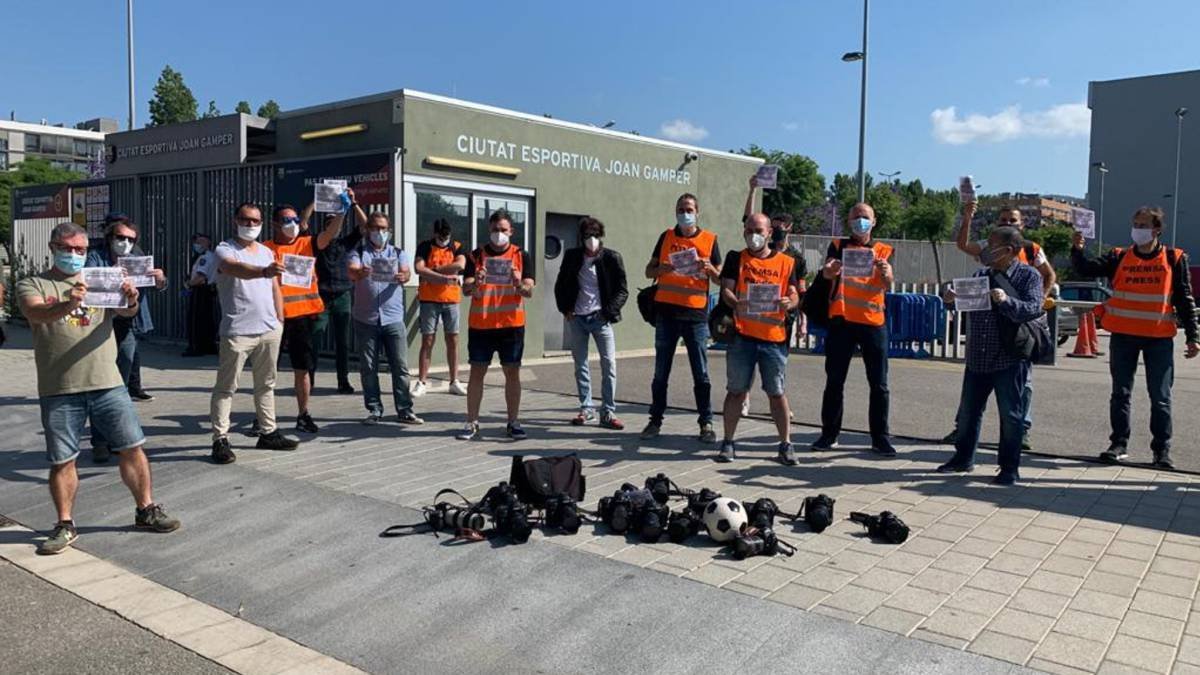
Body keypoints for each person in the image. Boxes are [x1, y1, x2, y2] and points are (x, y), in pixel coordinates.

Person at [17, 222, 180, 555]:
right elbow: (35, 312)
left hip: (107, 382)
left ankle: (146, 509)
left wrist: (131, 300)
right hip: (59, 387)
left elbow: (124, 311)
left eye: (80, 249)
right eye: (67, 248)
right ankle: (64, 524)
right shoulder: (33, 282)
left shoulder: (97, 278)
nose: (75, 255)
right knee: (63, 460)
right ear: (53, 247)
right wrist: (67, 303)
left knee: (132, 447)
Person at [1070, 206, 1200, 467]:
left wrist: (1193, 336)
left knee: (1160, 397)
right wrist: (1077, 249)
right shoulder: (1119, 256)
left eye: (1143, 225)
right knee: (1120, 393)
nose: (1137, 230)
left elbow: (1184, 298)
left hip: (1158, 339)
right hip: (1123, 337)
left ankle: (1161, 451)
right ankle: (1118, 444)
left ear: (1157, 230)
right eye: (1135, 224)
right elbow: (1086, 269)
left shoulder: (1174, 258)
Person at [937, 227, 1047, 485]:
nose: (986, 248)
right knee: (968, 413)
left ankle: (1009, 468)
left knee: (1011, 415)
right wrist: (950, 299)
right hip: (978, 357)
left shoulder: (1028, 275)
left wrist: (1007, 300)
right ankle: (963, 459)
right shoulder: (981, 274)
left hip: (1009, 358)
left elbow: (1033, 308)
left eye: (992, 244)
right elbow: (962, 304)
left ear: (1009, 250)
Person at [942, 202, 1057, 447]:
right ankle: (963, 433)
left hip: (1018, 325)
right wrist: (967, 217)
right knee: (974, 392)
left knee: (1019, 387)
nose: (1007, 223)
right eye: (1003, 219)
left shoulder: (1032, 251)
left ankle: (1019, 432)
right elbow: (962, 245)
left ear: (1022, 225)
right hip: (987, 328)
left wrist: (1038, 299)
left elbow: (1048, 275)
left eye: (1012, 220)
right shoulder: (987, 250)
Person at [210, 202, 299, 464]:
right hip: (237, 330)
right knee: (226, 388)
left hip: (269, 329)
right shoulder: (224, 249)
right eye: (245, 220)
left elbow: (274, 286)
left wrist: (279, 318)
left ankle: (268, 432)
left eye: (255, 221)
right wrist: (262, 271)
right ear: (235, 220)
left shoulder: (265, 252)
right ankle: (220, 439)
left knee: (266, 384)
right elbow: (232, 268)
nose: (250, 225)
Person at [813, 202, 897, 456]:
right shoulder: (838, 246)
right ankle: (829, 434)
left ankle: (880, 438)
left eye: (865, 217)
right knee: (835, 381)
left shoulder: (884, 250)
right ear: (849, 221)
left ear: (874, 221)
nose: (860, 221)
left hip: (873, 322)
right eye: (856, 217)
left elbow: (888, 283)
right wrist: (828, 271)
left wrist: (887, 273)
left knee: (879, 384)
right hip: (842, 321)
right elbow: (827, 274)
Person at [716, 213, 801, 464]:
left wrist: (790, 302)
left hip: (774, 339)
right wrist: (736, 302)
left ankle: (785, 444)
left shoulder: (786, 262)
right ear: (744, 231)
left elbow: (795, 294)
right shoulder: (736, 258)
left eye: (759, 230)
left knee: (777, 393)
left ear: (769, 233)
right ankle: (728, 442)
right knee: (736, 391)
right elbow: (726, 291)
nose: (754, 234)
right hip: (742, 337)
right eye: (750, 229)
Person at [640, 193, 722, 442]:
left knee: (701, 373)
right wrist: (660, 269)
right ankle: (654, 421)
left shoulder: (709, 240)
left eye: (688, 209)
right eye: (680, 209)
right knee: (660, 373)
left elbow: (719, 277)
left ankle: (706, 423)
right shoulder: (666, 237)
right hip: (666, 312)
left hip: (695, 315)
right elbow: (648, 271)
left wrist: (709, 269)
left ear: (697, 212)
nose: (684, 213)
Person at [85, 217, 167, 463]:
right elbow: (89, 280)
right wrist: (112, 276)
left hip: (127, 324)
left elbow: (156, 285)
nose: (125, 243)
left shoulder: (136, 256)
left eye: (130, 239)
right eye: (120, 238)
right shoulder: (95, 256)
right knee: (102, 385)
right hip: (98, 325)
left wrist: (160, 279)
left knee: (119, 387)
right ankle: (99, 442)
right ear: (110, 238)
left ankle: (118, 439)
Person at [265, 201, 347, 433]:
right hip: (274, 319)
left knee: (302, 369)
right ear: (274, 224)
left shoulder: (307, 243)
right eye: (285, 220)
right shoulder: (265, 249)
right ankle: (262, 417)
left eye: (294, 220)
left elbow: (330, 233)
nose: (291, 224)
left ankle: (303, 414)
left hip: (303, 318)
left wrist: (342, 211)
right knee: (267, 372)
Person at [456, 209, 535, 441]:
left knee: (512, 374)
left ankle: (513, 422)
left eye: (503, 230)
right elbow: (466, 289)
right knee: (476, 373)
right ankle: (471, 422)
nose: (499, 234)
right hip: (482, 325)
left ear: (512, 231)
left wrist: (519, 283)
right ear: (488, 231)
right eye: (494, 230)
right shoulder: (475, 255)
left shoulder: (521, 255)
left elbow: (529, 290)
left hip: (511, 324)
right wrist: (477, 282)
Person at [347, 212, 423, 425]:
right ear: (367, 230)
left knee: (400, 366)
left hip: (393, 318)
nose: (380, 232)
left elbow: (407, 273)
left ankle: (405, 409)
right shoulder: (358, 252)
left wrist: (403, 276)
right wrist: (360, 273)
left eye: (383, 228)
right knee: (368, 367)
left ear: (389, 231)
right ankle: (374, 410)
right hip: (366, 318)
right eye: (376, 228)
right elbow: (351, 271)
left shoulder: (397, 253)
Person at [553, 216, 629, 429]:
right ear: (581, 237)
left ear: (601, 236)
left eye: (595, 235)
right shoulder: (572, 257)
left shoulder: (612, 258)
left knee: (609, 364)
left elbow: (622, 290)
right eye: (587, 235)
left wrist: (608, 313)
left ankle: (608, 411)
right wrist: (565, 309)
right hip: (577, 318)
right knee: (581, 365)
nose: (592, 239)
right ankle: (587, 408)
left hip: (600, 319)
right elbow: (560, 284)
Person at [300, 192, 364, 394]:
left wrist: (353, 203)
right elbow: (303, 221)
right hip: (321, 296)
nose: (332, 225)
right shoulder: (315, 243)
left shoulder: (346, 242)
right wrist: (317, 198)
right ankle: (309, 379)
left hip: (343, 295)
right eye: (329, 222)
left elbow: (365, 226)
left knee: (343, 342)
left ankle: (343, 380)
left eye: (335, 221)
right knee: (314, 339)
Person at [414, 218, 468, 396]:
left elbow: (460, 265)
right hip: (429, 299)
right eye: (441, 235)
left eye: (447, 235)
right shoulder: (425, 246)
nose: (444, 238)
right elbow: (419, 268)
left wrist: (434, 271)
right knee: (427, 340)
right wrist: (444, 277)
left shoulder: (457, 245)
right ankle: (422, 381)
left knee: (452, 340)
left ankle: (454, 381)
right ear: (435, 233)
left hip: (451, 299)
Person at [183, 233, 219, 357]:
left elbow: (201, 277)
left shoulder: (205, 258)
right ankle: (209, 346)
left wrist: (189, 284)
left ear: (208, 244)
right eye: (196, 242)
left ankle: (195, 347)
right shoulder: (212, 256)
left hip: (200, 290)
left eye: (200, 242)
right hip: (210, 291)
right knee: (207, 319)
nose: (197, 245)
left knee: (195, 320)